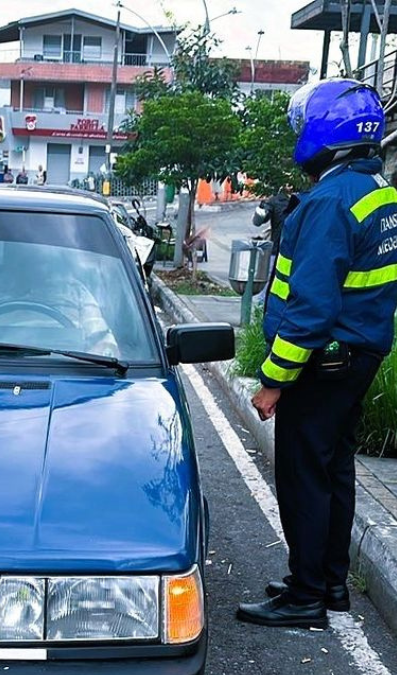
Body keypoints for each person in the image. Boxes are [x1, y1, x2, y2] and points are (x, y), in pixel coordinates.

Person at [237, 79, 397, 630]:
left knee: (304, 476)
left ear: (323, 132)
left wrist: (273, 379)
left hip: (322, 362)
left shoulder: (330, 201)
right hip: (359, 355)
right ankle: (329, 583)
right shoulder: (377, 190)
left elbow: (309, 307)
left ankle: (304, 596)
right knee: (334, 471)